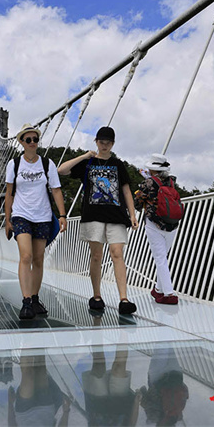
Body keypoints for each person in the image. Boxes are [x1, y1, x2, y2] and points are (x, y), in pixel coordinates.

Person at [58, 127, 139, 315]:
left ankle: (123, 299)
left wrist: (132, 215)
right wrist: (84, 156)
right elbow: (61, 170)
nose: (104, 145)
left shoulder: (118, 165)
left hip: (116, 215)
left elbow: (126, 190)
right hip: (93, 215)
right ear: (96, 141)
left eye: (108, 142)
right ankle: (96, 296)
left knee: (117, 253)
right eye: (101, 142)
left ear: (113, 144)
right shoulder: (88, 163)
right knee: (96, 255)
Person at [4, 124, 67, 320]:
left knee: (38, 258)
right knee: (26, 256)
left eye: (35, 139)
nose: (32, 143)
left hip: (43, 216)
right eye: (28, 139)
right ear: (21, 142)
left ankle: (35, 298)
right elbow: (9, 193)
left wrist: (62, 215)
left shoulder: (47, 164)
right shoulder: (14, 164)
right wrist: (7, 219)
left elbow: (56, 190)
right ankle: (25, 301)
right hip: (21, 214)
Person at [135, 154, 181, 305]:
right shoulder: (172, 181)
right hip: (172, 224)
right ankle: (158, 289)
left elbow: (137, 203)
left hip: (154, 223)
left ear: (152, 169)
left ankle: (169, 294)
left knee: (160, 258)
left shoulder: (148, 182)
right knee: (163, 258)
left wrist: (140, 190)